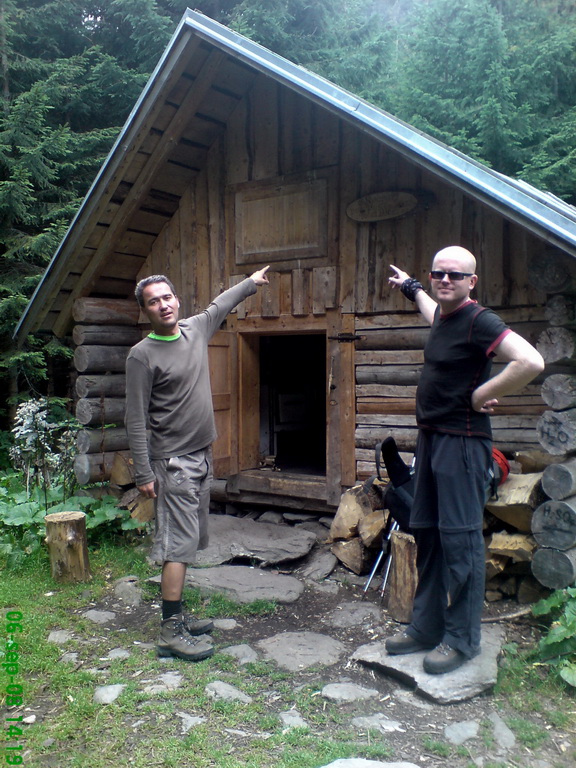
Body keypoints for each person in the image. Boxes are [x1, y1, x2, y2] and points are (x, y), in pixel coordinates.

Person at [385, 246, 544, 674]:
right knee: (429, 536)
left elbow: (530, 360)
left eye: (455, 275)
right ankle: (426, 628)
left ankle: (462, 640)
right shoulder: (444, 316)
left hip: (463, 444)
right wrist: (410, 288)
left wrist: (479, 395)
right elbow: (430, 309)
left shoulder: (479, 319)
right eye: (438, 273)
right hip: (433, 442)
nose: (445, 280)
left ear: (471, 282)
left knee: (461, 542)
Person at [125, 266, 270, 661]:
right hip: (172, 464)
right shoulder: (141, 356)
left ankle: (178, 617)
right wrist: (143, 472)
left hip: (202, 455)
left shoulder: (195, 329)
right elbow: (135, 419)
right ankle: (170, 632)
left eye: (166, 297)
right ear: (146, 311)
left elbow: (220, 304)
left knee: (191, 541)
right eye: (153, 302)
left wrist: (251, 283)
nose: (163, 305)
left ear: (176, 299)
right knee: (178, 546)